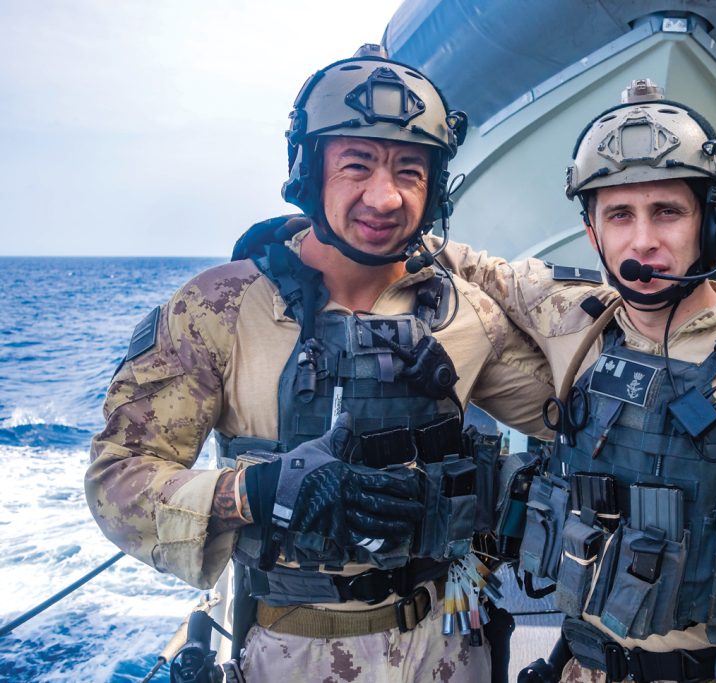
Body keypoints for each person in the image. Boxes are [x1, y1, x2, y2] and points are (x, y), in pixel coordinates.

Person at [85, 45, 554, 683]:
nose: (384, 198)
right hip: (294, 652)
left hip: (448, 645)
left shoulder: (467, 313)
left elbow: (577, 418)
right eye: (356, 166)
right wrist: (251, 493)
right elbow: (118, 481)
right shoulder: (216, 309)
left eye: (410, 172)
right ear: (309, 171)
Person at [438, 80, 716, 682]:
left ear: (709, 221)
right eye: (619, 215)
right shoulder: (574, 319)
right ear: (592, 232)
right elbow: (477, 270)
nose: (643, 241)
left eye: (668, 212)